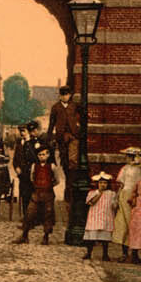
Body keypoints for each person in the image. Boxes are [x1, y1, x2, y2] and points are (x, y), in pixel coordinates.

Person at [47, 87, 80, 218]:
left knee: (73, 162)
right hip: (61, 138)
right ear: (60, 96)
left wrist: (78, 129)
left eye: (66, 95)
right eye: (62, 95)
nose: (65, 97)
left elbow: (83, 117)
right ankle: (68, 178)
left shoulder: (74, 106)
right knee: (64, 160)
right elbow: (51, 124)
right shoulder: (55, 107)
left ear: (70, 95)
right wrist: (49, 138)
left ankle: (70, 190)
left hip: (72, 136)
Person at [15, 145, 57, 245]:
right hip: (36, 194)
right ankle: (24, 236)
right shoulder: (34, 166)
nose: (42, 156)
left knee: (48, 214)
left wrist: (48, 186)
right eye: (40, 155)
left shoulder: (52, 166)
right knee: (30, 213)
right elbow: (32, 178)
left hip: (48, 194)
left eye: (44, 154)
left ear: (48, 155)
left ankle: (46, 236)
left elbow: (57, 180)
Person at [112, 147, 141, 261]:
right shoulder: (125, 168)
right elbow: (121, 185)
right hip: (125, 195)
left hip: (137, 197)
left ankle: (136, 252)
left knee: (136, 223)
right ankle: (125, 252)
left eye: (129, 156)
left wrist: (137, 196)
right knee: (124, 223)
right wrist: (116, 198)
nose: (127, 158)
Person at [82, 172, 118, 262]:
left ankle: (105, 254)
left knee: (105, 238)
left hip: (106, 217)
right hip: (95, 216)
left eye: (105, 183)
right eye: (101, 183)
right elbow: (91, 202)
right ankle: (89, 252)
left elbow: (114, 205)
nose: (103, 185)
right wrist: (99, 193)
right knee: (92, 237)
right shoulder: (92, 193)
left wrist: (115, 203)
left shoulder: (111, 194)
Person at [12, 125, 35, 220]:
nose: (22, 133)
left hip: (32, 173)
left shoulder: (33, 143)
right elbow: (15, 159)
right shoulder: (19, 144)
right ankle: (26, 216)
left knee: (32, 195)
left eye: (24, 131)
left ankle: (33, 216)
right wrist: (16, 167)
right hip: (22, 174)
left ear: (28, 132)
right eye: (21, 131)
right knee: (24, 195)